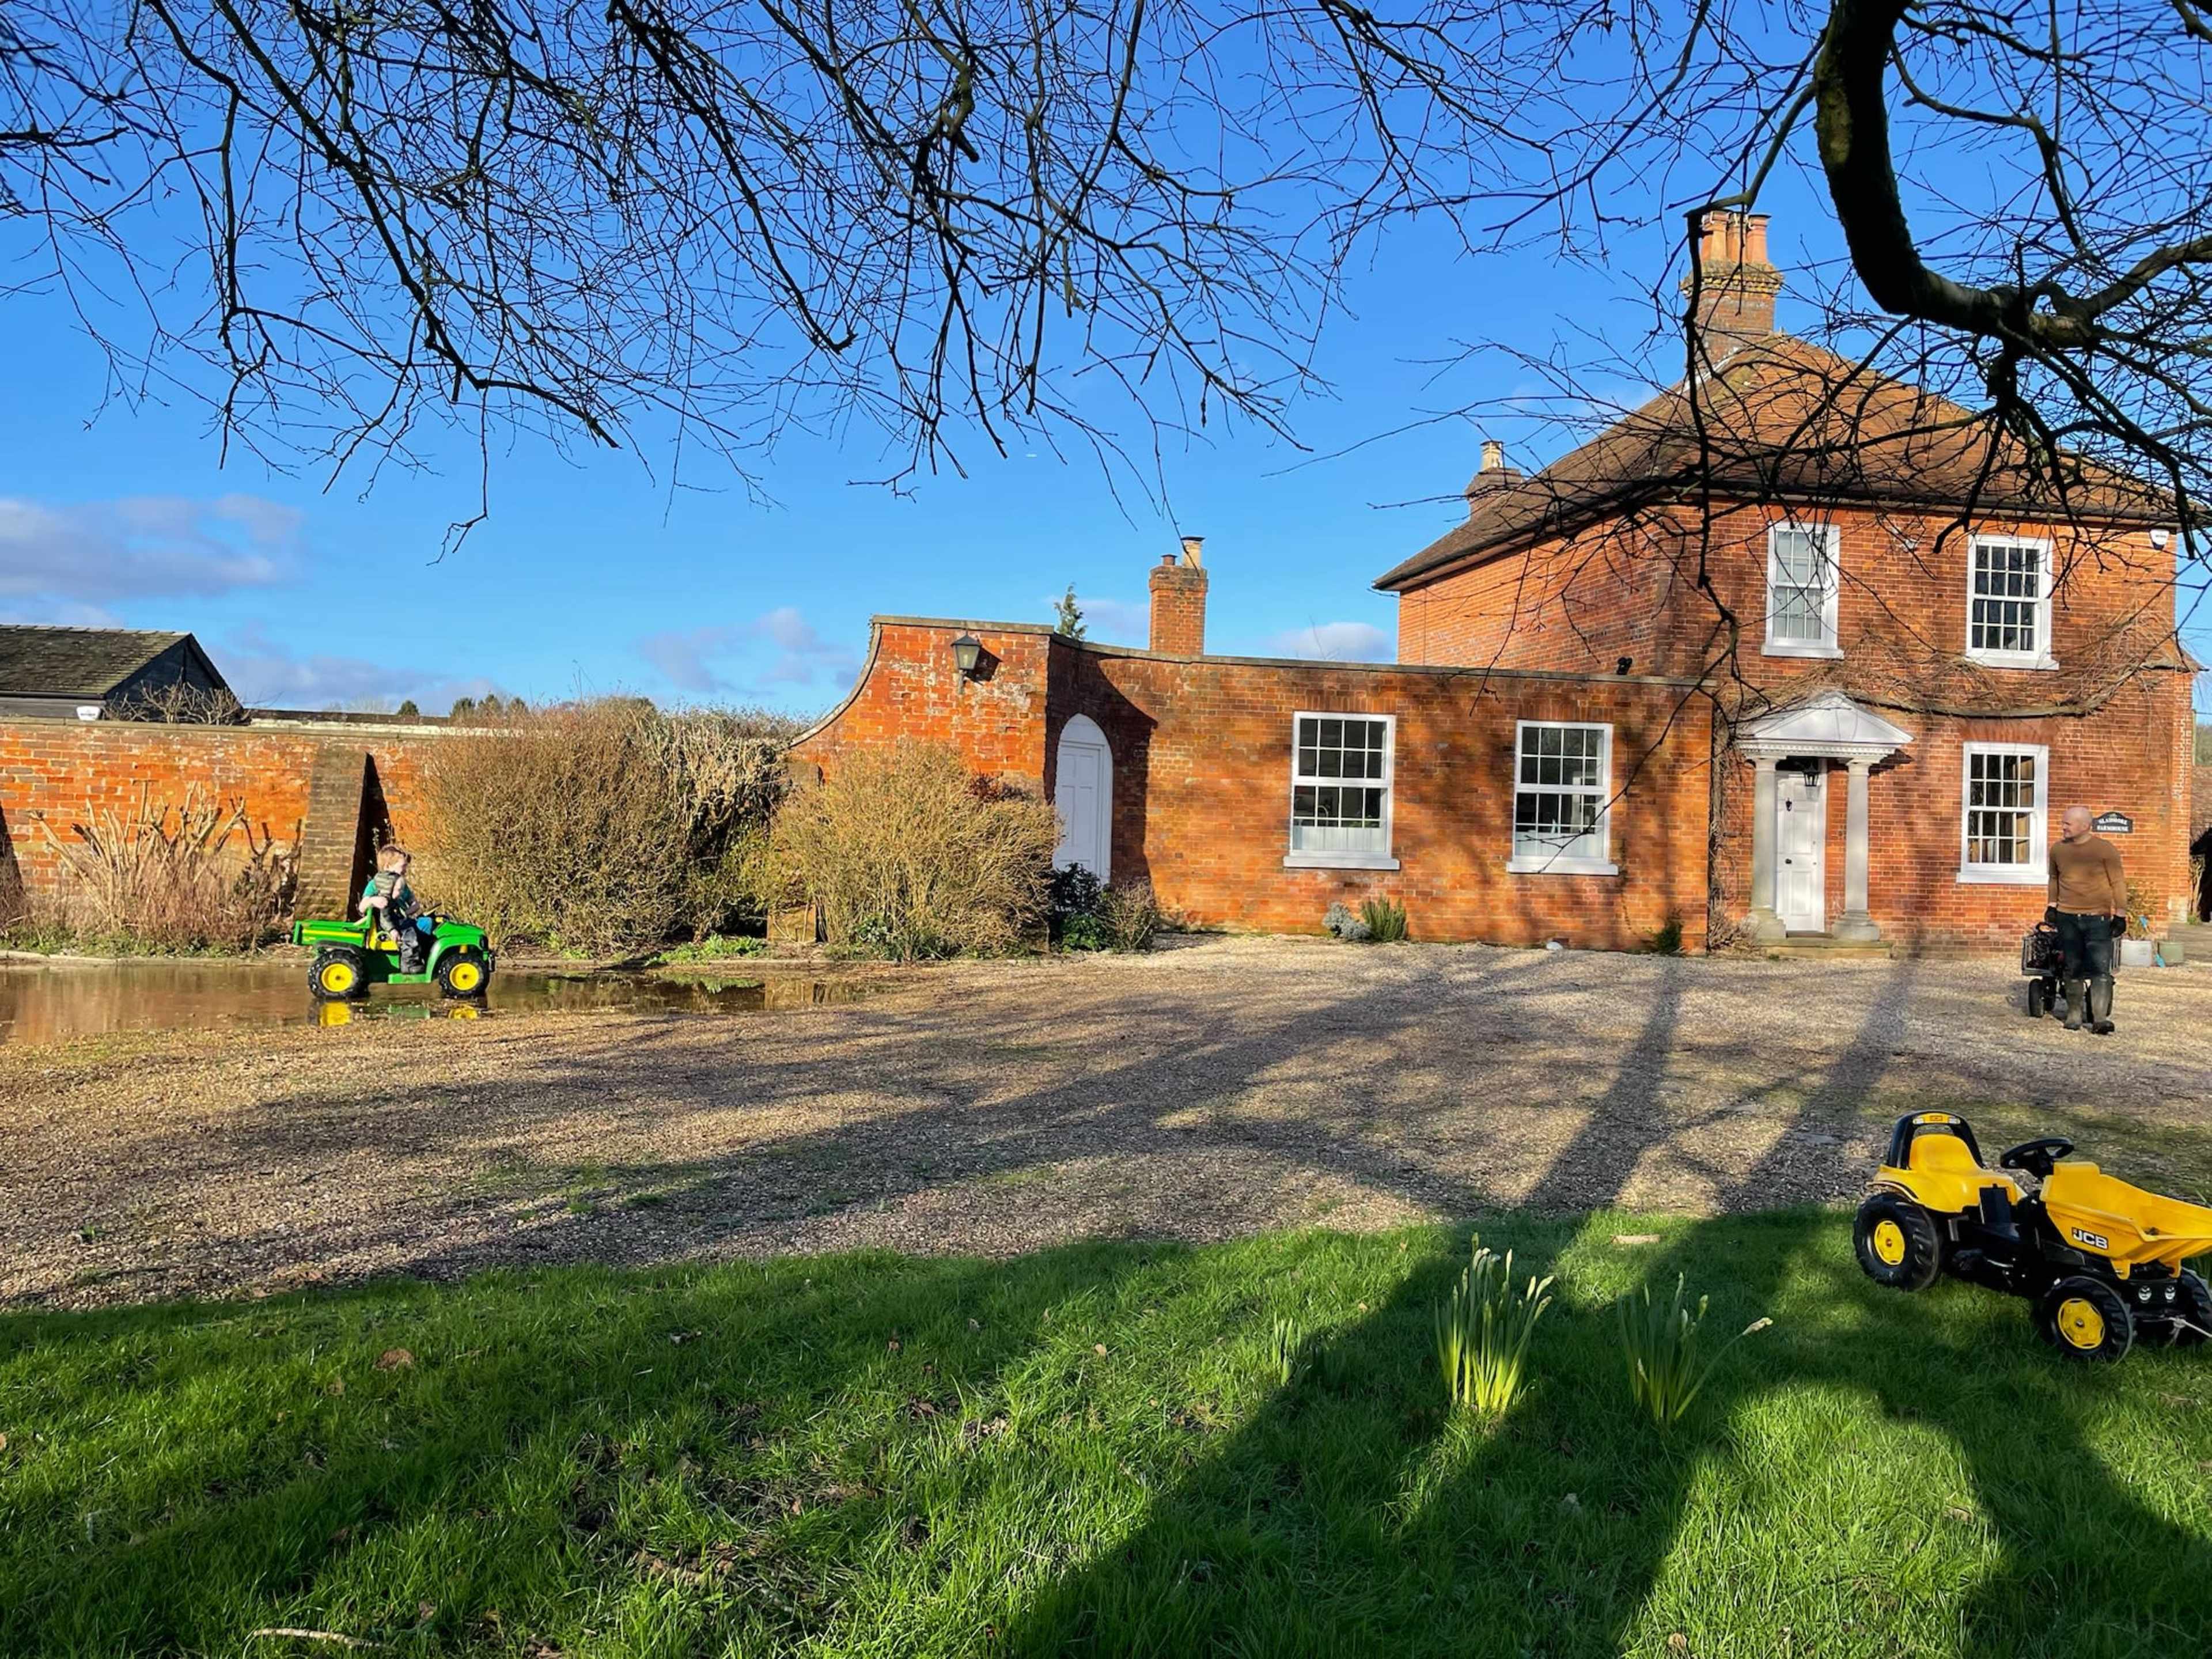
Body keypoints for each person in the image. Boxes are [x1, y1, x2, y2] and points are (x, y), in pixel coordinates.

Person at [2047, 806, 2127, 1035]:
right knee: (2072, 966)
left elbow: (2118, 882)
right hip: (2067, 917)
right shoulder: (2058, 850)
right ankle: (2073, 1014)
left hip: (2098, 918)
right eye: (2063, 823)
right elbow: (2054, 878)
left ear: (2084, 825)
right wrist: (2052, 906)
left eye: (2067, 824)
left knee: (2101, 969)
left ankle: (2100, 1019)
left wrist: (2120, 914)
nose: (2063, 827)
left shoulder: (2105, 850)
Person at [362, 844, 430, 974]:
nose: (405, 870)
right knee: (423, 926)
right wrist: (373, 900)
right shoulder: (376, 885)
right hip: (389, 924)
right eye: (402, 867)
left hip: (402, 919)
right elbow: (362, 907)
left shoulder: (401, 885)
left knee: (429, 922)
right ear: (388, 867)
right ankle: (411, 962)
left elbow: (414, 903)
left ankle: (422, 958)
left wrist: (410, 911)